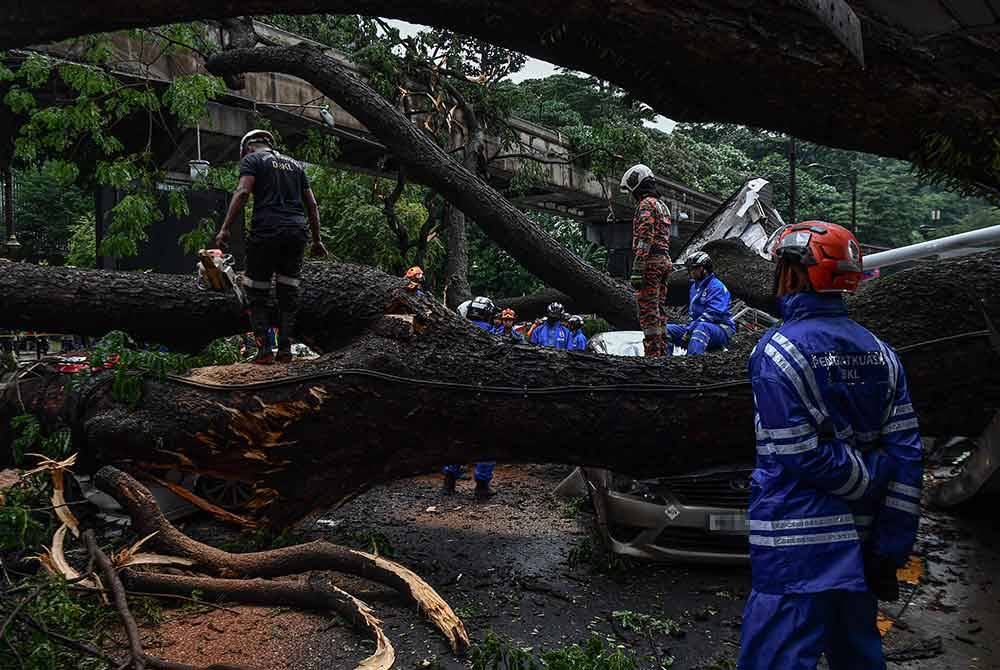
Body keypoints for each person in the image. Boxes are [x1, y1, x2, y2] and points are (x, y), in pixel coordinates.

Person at [739, 221, 923, 670]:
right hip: (860, 553)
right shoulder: (883, 354)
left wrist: (864, 480)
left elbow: (798, 450)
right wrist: (891, 547)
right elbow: (907, 458)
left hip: (793, 554)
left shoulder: (777, 352)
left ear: (795, 272)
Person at [215, 129, 328, 365]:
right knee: (288, 291)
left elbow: (243, 191)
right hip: (297, 233)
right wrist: (317, 240)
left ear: (246, 148)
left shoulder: (252, 160)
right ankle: (285, 350)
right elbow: (312, 204)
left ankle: (265, 350)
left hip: (267, 231)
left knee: (256, 291)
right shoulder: (295, 165)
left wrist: (225, 227)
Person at [443, 296, 498, 499]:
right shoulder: (493, 335)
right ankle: (482, 486)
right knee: (487, 441)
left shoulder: (455, 333)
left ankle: (449, 482)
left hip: (458, 396)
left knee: (456, 437)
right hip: (485, 397)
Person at [621, 164, 673, 357]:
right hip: (664, 261)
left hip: (650, 263)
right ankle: (663, 352)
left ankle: (652, 356)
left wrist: (638, 267)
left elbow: (645, 238)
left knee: (648, 311)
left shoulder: (645, 205)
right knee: (659, 310)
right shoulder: (663, 206)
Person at [666, 251, 736, 355]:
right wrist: (689, 328)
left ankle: (692, 363)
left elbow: (713, 314)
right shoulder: (694, 287)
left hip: (720, 329)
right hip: (696, 326)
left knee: (701, 328)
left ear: (704, 269)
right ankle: (665, 363)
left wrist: (690, 329)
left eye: (693, 268)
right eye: (689, 269)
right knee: (666, 330)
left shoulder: (717, 287)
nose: (690, 272)